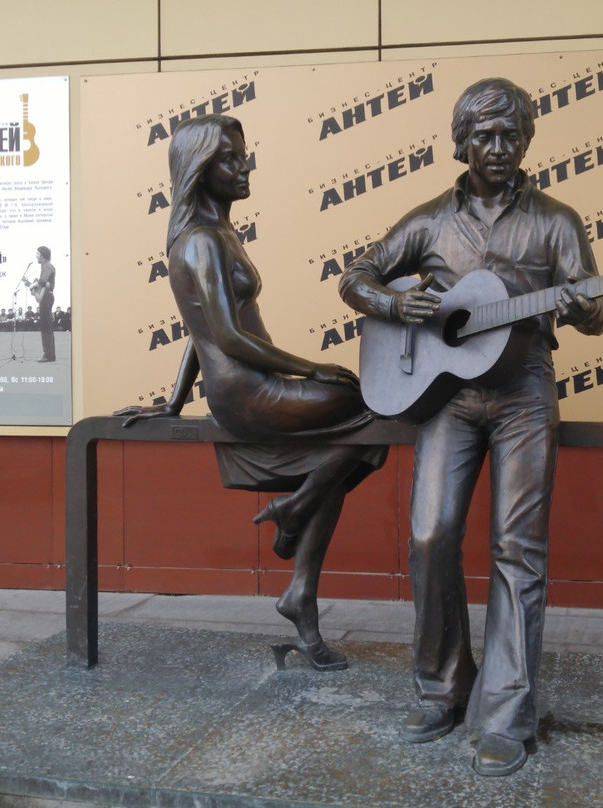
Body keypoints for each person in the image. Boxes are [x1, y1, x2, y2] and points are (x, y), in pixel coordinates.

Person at [339, 78, 603, 777]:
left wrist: (586, 308)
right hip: (448, 401)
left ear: (527, 140)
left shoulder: (557, 221)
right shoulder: (429, 221)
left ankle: (506, 715)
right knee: (431, 537)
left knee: (518, 552)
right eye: (485, 135)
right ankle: (441, 689)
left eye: (511, 134)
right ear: (461, 142)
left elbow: (599, 312)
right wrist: (395, 309)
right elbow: (357, 277)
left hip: (524, 394)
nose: (499, 147)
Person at [114, 114, 387, 670]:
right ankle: (295, 514)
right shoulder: (198, 243)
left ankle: (299, 579)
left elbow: (199, 335)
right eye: (228, 159)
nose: (243, 167)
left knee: (353, 448)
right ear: (198, 169)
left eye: (243, 154)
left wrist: (174, 401)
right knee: (371, 407)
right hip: (247, 394)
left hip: (250, 387)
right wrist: (312, 369)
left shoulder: (218, 235)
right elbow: (228, 339)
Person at [26, 246, 56, 362]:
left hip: (46, 297)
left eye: (37, 254)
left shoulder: (47, 266)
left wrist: (32, 285)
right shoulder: (45, 265)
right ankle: (49, 354)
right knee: (46, 326)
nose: (36, 256)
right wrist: (31, 284)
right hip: (46, 296)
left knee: (46, 327)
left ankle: (48, 355)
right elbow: (42, 284)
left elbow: (42, 282)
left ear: (43, 256)